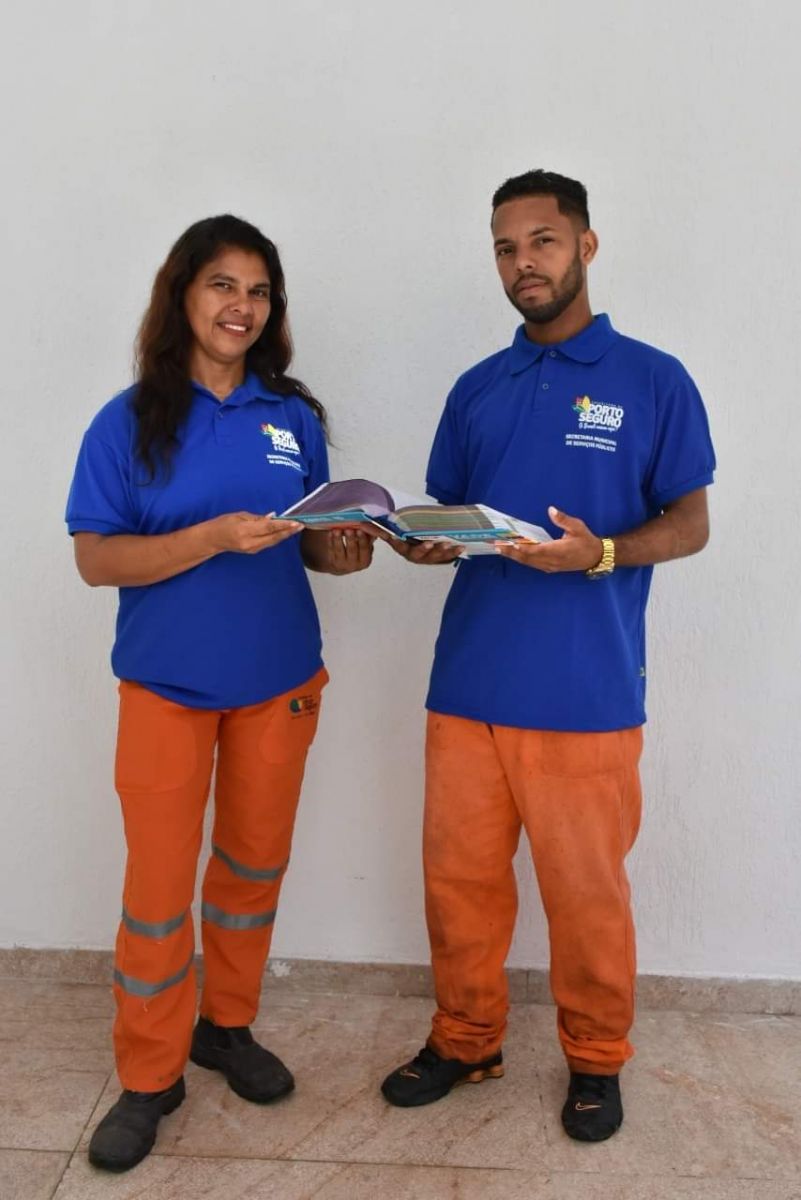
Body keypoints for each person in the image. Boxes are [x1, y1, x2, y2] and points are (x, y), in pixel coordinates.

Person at [380, 170, 715, 1142]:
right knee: (459, 887)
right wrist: (422, 541)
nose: (522, 262)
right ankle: (466, 1038)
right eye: (505, 247)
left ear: (585, 246)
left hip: (585, 691)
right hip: (468, 686)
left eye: (542, 241)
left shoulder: (653, 380)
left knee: (585, 897)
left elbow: (690, 524)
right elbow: (452, 515)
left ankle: (597, 1059)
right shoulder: (477, 387)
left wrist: (598, 553)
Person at [66, 215, 374, 1172]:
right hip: (165, 688)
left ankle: (225, 1027)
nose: (242, 307)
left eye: (259, 291)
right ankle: (148, 1074)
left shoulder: (293, 418)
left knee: (249, 870)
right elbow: (95, 559)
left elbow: (309, 544)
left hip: (278, 683)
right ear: (183, 295)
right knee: (158, 891)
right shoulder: (128, 421)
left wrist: (342, 551)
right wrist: (208, 537)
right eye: (222, 286)